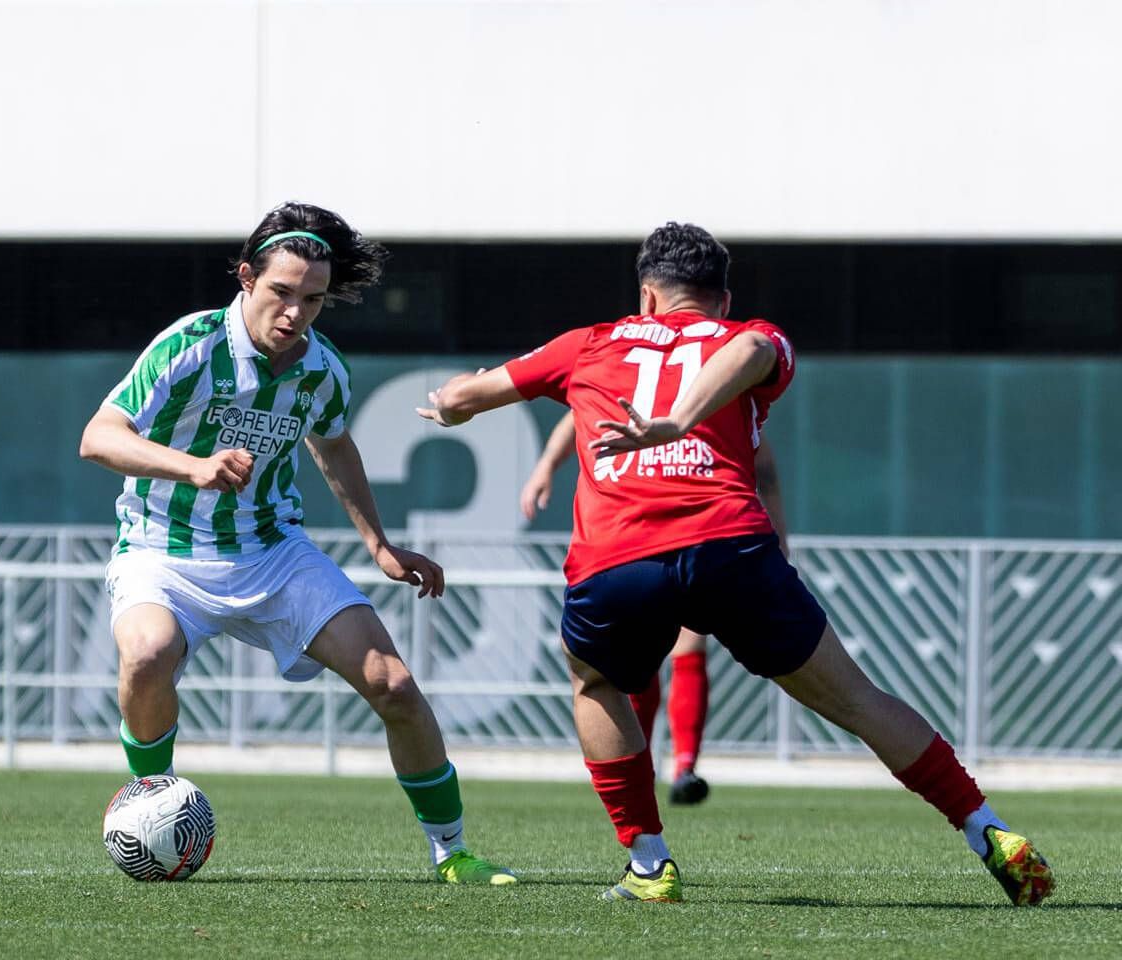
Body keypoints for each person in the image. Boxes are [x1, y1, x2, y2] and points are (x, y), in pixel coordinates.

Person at [416, 221, 1053, 905]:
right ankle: (986, 827)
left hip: (619, 556)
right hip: (730, 547)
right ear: (721, 298)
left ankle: (649, 862)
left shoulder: (591, 342)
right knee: (858, 699)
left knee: (597, 684)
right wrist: (686, 419)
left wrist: (457, 405)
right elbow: (751, 346)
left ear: (647, 297)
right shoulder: (749, 335)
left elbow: (459, 397)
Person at [79, 201, 515, 886]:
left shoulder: (323, 369)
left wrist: (378, 544)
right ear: (247, 277)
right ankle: (151, 804)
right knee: (147, 655)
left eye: (313, 299)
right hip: (161, 550)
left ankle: (452, 850)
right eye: (282, 292)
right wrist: (194, 467)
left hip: (272, 552)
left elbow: (334, 445)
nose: (295, 312)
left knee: (393, 684)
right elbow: (98, 437)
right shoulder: (187, 345)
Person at [521, 412, 791, 805]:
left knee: (686, 645)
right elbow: (579, 413)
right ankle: (646, 766)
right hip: (636, 538)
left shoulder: (708, 391)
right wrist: (545, 465)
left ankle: (682, 767)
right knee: (637, 663)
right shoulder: (641, 378)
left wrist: (779, 538)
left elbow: (762, 465)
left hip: (689, 534)